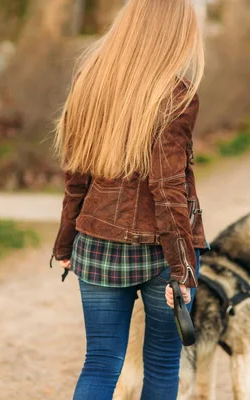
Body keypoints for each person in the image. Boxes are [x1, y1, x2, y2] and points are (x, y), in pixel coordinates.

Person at [50, 0, 207, 398]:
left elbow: (76, 173)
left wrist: (66, 242)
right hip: (160, 251)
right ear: (173, 34)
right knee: (161, 365)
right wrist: (183, 268)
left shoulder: (90, 81)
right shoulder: (175, 95)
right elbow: (168, 188)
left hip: (97, 243)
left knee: (100, 363)